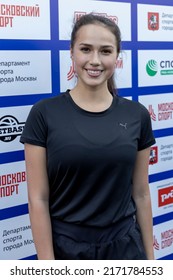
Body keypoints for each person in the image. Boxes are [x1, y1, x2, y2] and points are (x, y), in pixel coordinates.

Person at [20, 13, 155, 260]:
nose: (95, 60)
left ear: (117, 56)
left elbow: (142, 193)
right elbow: (37, 198)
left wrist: (151, 262)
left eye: (105, 51)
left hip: (125, 250)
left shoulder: (137, 115)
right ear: (72, 52)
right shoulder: (44, 114)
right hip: (67, 250)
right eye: (85, 49)